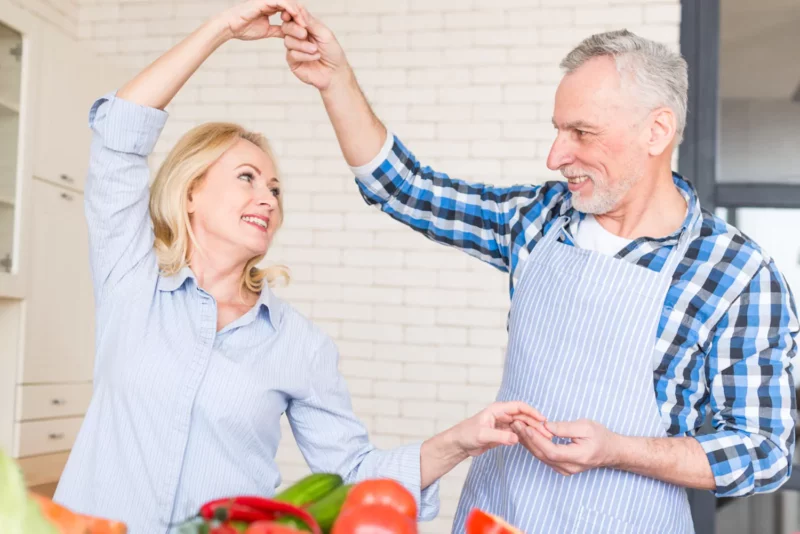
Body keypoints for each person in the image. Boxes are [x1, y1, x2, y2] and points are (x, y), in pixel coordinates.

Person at [279, 8, 800, 534]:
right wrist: (335, 81)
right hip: (500, 516)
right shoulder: (536, 219)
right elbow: (406, 188)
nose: (556, 156)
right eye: (558, 130)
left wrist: (619, 450)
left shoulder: (736, 273)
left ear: (656, 130)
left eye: (581, 132)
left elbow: (761, 450)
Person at [51, 2, 548, 532]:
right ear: (190, 190)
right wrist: (220, 30)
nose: (267, 197)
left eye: (275, 189)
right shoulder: (132, 280)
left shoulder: (298, 345)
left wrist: (459, 440)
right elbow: (119, 135)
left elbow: (353, 475)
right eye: (247, 177)